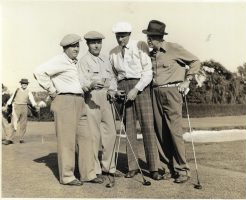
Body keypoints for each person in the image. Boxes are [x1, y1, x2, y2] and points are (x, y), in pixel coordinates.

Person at [34, 34, 98, 186]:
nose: (76, 48)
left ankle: (88, 174)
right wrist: (51, 90)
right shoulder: (60, 60)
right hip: (65, 101)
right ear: (65, 48)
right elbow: (38, 72)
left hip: (80, 100)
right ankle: (67, 176)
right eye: (72, 46)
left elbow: (74, 83)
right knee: (67, 141)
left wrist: (88, 85)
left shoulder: (73, 62)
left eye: (77, 46)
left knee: (86, 137)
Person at [142, 20, 201, 183]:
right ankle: (168, 168)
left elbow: (195, 62)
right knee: (160, 132)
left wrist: (187, 80)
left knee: (174, 131)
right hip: (155, 93)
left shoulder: (174, 48)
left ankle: (182, 170)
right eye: (148, 37)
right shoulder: (151, 53)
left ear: (160, 37)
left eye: (151, 37)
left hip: (172, 92)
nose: (149, 40)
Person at [109, 22, 163, 180]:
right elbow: (113, 75)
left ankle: (154, 168)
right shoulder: (113, 52)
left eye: (123, 35)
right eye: (118, 36)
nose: (120, 39)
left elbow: (148, 72)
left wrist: (136, 89)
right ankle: (133, 167)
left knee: (147, 125)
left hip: (141, 86)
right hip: (123, 87)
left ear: (129, 34)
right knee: (129, 128)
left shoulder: (140, 45)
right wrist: (115, 89)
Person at [77, 31, 118, 182]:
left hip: (107, 98)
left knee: (111, 133)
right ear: (87, 44)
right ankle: (95, 170)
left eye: (99, 42)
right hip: (91, 98)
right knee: (94, 136)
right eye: (93, 42)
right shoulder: (83, 61)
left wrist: (113, 90)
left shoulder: (106, 59)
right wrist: (91, 84)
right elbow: (80, 83)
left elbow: (113, 78)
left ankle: (109, 167)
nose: (96, 45)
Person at [3, 79, 37, 145]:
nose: (24, 85)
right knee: (13, 123)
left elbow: (32, 99)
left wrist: (35, 105)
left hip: (24, 107)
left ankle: (21, 138)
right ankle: (9, 139)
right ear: (21, 84)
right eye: (23, 84)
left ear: (27, 85)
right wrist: (7, 104)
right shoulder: (17, 90)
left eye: (26, 84)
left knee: (23, 124)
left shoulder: (28, 91)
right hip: (16, 107)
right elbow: (11, 98)